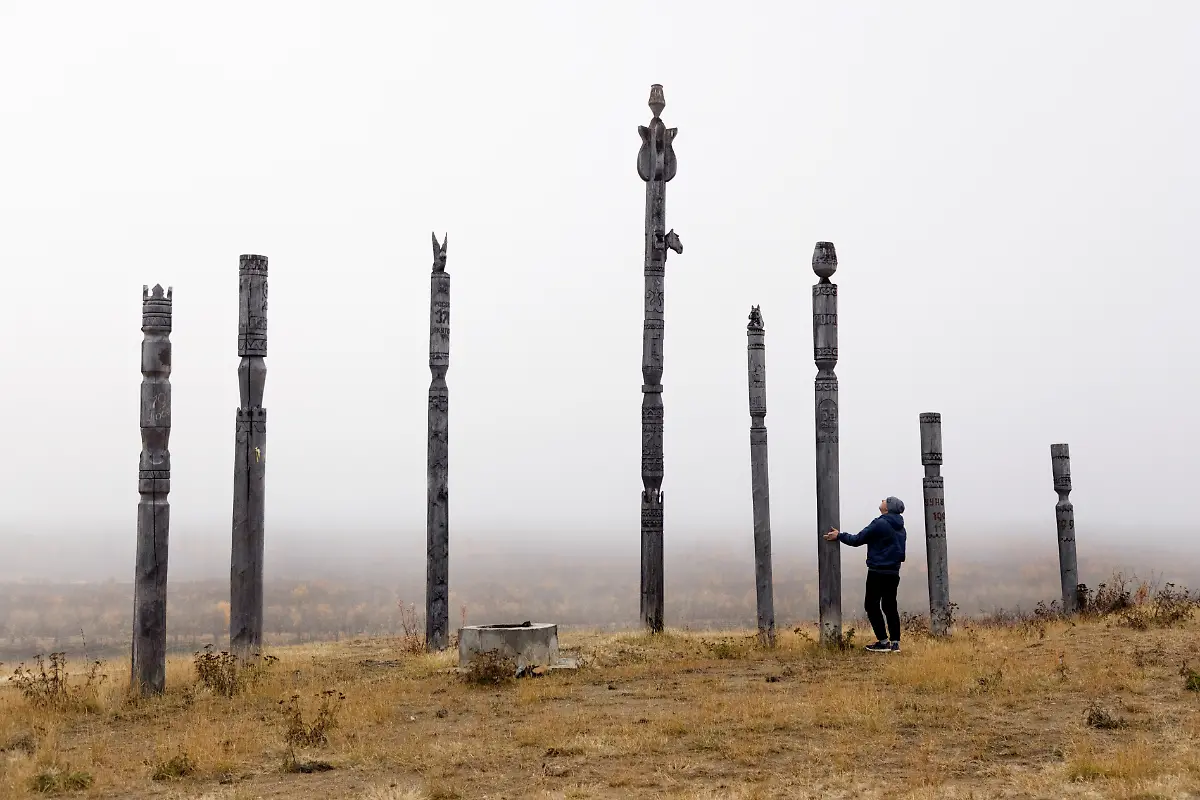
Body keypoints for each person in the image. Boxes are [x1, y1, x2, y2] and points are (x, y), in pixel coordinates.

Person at [823, 496, 907, 653]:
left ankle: (883, 642)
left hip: (877, 571)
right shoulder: (900, 527)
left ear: (888, 508)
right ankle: (895, 643)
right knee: (890, 606)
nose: (882, 500)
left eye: (886, 500)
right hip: (894, 572)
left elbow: (857, 539)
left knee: (871, 605)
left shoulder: (880, 523)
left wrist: (839, 535)